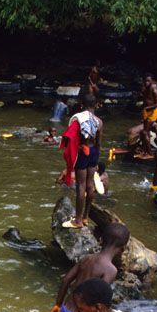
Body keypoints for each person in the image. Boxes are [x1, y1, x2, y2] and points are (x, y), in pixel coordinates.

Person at [50, 223, 130, 312]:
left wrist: (57, 305)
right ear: (123, 249)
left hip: (65, 311)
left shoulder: (87, 258)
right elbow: (100, 300)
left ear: (101, 240)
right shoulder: (111, 270)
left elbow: (66, 280)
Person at [62, 94, 102, 228]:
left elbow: (70, 137)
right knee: (90, 185)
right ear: (95, 105)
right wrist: (96, 161)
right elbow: (98, 143)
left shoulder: (78, 119)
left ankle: (77, 221)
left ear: (81, 105)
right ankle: (85, 217)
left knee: (81, 186)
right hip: (93, 152)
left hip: (83, 152)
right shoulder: (99, 121)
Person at [140, 75, 157, 157]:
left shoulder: (154, 90)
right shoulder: (144, 88)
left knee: (144, 132)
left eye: (148, 81)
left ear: (151, 81)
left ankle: (150, 153)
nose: (146, 83)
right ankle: (145, 151)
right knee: (146, 132)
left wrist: (147, 108)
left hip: (153, 112)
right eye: (145, 81)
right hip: (146, 111)